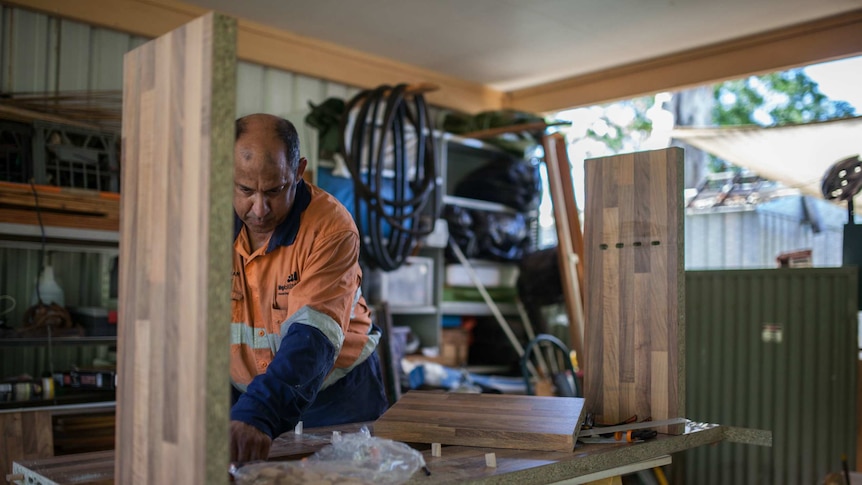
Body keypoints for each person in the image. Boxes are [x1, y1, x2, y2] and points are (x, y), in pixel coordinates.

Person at [229, 113, 388, 463]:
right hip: (248, 392)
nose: (259, 209)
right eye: (245, 190)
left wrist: (259, 412)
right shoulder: (205, 225)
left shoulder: (331, 228)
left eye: (274, 190)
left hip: (337, 395)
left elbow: (311, 338)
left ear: (299, 171)